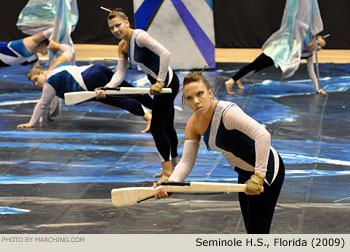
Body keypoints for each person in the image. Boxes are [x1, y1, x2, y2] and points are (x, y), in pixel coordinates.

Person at [155, 72, 285, 234]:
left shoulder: (227, 113)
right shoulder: (193, 124)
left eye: (199, 94)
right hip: (245, 172)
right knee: (252, 230)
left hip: (267, 169)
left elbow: (263, 135)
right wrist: (171, 184)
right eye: (189, 98)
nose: (195, 101)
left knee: (258, 232)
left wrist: (259, 176)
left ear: (210, 93)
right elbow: (186, 163)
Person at [96, 8, 180, 183]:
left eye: (118, 25)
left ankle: (167, 173)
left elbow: (165, 54)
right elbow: (119, 74)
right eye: (112, 28)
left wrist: (160, 82)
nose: (115, 30)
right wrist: (107, 88)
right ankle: (173, 167)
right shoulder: (122, 46)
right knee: (166, 125)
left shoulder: (139, 36)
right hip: (158, 83)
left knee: (157, 127)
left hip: (167, 82)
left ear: (127, 22)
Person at [17, 41, 153, 133]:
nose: (37, 83)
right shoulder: (58, 64)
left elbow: (42, 104)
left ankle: (148, 116)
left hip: (91, 81)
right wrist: (56, 45)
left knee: (118, 99)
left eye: (36, 79)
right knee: (128, 89)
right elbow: (69, 49)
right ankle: (156, 107)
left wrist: (31, 123)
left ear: (41, 72)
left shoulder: (49, 82)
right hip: (96, 69)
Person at [225, 34, 327, 95]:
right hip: (273, 52)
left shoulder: (309, 54)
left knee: (256, 68)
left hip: (278, 59)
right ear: (313, 40)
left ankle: (238, 79)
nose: (319, 48)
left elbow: (312, 72)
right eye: (318, 44)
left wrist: (317, 88)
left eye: (321, 46)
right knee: (254, 66)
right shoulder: (301, 42)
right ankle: (231, 81)